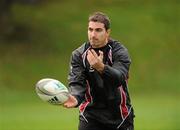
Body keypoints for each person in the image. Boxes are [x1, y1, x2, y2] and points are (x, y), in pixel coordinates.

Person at [63, 12, 135, 130]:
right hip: (90, 116)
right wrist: (75, 97)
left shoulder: (119, 51)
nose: (93, 34)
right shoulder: (78, 55)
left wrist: (101, 68)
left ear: (107, 32)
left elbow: (119, 78)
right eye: (90, 30)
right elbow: (77, 82)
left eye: (98, 30)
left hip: (119, 116)